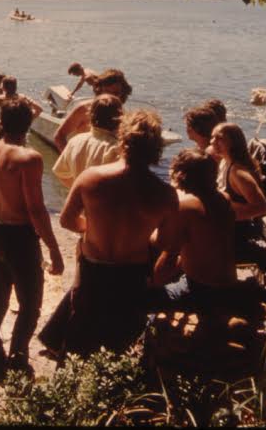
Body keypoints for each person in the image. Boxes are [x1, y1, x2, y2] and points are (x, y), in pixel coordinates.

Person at [53, 109, 178, 360]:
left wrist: (93, 228)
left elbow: (67, 220)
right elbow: (165, 242)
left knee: (80, 332)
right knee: (122, 337)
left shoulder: (91, 178)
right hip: (131, 272)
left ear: (122, 140)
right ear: (157, 148)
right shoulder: (165, 194)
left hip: (94, 267)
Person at [0, 97, 64, 379]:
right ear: (29, 124)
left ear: (1, 121)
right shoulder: (29, 158)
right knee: (30, 304)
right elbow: (36, 210)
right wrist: (54, 249)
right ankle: (17, 359)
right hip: (20, 238)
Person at [151, 149, 237, 312]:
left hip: (201, 291)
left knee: (146, 297)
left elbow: (164, 248)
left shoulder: (187, 207)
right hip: (227, 285)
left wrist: (153, 284)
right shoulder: (224, 198)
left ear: (180, 174)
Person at [209, 122, 266, 268]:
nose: (213, 142)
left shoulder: (238, 173)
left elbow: (262, 207)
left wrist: (228, 211)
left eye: (220, 138)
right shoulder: (224, 161)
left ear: (233, 142)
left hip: (236, 235)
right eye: (212, 137)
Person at [52, 94, 123, 188]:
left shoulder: (74, 141)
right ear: (120, 118)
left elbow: (60, 173)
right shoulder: (117, 148)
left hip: (79, 198)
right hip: (104, 200)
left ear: (90, 115)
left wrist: (79, 190)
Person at [53, 68, 132, 152]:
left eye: (116, 93)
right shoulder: (84, 109)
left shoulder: (123, 114)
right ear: (99, 89)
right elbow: (59, 136)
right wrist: (70, 160)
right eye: (107, 92)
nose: (111, 97)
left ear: (123, 93)